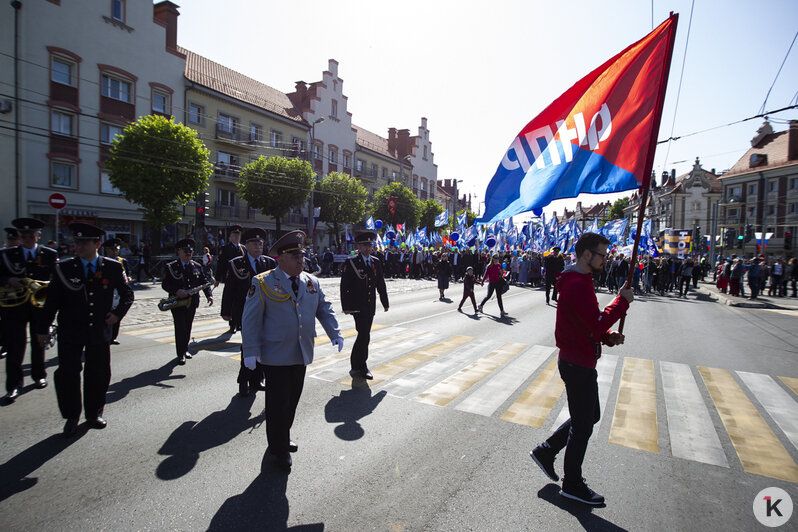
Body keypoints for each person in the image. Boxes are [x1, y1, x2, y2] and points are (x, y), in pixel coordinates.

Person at [529, 232, 633, 505]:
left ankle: (546, 451)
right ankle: (572, 483)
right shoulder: (577, 283)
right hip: (577, 363)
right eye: (602, 254)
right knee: (583, 425)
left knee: (589, 416)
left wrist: (607, 336)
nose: (605, 259)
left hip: (580, 359)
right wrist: (621, 302)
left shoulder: (580, 280)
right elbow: (595, 321)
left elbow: (586, 324)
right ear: (587, 254)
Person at [241, 230, 343, 472]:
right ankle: (278, 449)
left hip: (301, 352)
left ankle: (282, 436)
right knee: (277, 403)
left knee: (292, 401)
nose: (302, 260)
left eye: (303, 256)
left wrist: (335, 332)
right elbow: (251, 319)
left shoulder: (311, 281)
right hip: (275, 354)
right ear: (281, 258)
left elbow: (324, 309)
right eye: (296, 256)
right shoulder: (263, 282)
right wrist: (251, 350)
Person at [37, 223, 134, 436]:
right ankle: (72, 415)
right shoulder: (63, 268)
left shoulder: (112, 266)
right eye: (76, 242)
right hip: (71, 331)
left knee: (98, 374)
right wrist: (42, 329)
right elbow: (51, 302)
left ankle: (94, 413)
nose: (78, 246)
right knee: (68, 374)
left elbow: (127, 294)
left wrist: (117, 313)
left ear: (97, 244)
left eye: (83, 242)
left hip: (99, 331)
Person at [0, 218, 58, 404]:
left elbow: (56, 279)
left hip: (40, 305)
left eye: (31, 235)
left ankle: (39, 375)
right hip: (14, 305)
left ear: (38, 236)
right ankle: (14, 385)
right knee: (15, 345)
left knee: (39, 341)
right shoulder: (7, 254)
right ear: (19, 236)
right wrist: (8, 280)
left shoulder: (49, 254)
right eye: (23, 235)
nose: (27, 238)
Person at [226, 228, 276, 397]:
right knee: (248, 345)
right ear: (246, 245)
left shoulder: (269, 263)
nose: (258, 247)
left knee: (262, 346)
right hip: (245, 312)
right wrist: (226, 311)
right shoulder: (236, 263)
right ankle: (243, 380)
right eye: (254, 244)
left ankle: (257, 379)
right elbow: (229, 289)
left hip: (266, 312)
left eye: (260, 244)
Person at [340, 231, 389, 380]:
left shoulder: (376, 262)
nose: (368, 248)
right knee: (364, 335)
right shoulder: (352, 262)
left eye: (369, 245)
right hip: (357, 305)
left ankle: (356, 364)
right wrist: (346, 306)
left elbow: (380, 283)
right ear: (358, 247)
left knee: (364, 335)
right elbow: (345, 286)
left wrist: (385, 302)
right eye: (364, 246)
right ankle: (362, 366)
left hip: (370, 305)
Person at [161, 239, 214, 365]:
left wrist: (209, 295)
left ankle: (185, 350)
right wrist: (176, 290)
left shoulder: (197, 266)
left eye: (190, 251)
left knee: (188, 326)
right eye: (185, 251)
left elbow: (204, 283)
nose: (188, 254)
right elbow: (165, 284)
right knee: (180, 328)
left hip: (192, 302)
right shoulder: (171, 267)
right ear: (179, 252)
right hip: (178, 302)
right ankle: (180, 354)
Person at [216, 226, 245, 333]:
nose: (237, 237)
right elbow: (221, 265)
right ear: (230, 236)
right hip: (231, 278)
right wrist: (218, 278)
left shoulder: (243, 248)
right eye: (234, 235)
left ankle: (240, 323)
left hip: (242, 279)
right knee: (231, 301)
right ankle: (232, 324)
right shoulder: (225, 248)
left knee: (241, 301)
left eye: (238, 235)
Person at [102, 238, 131, 345]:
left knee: (118, 312)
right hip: (108, 290)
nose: (115, 252)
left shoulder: (122, 261)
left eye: (116, 249)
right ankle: (106, 335)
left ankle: (113, 336)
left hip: (119, 290)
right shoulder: (102, 261)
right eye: (112, 249)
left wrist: (129, 278)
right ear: (107, 250)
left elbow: (127, 273)